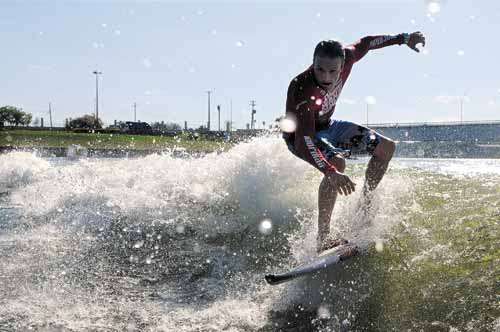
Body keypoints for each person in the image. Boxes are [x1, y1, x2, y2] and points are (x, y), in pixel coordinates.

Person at [282, 32, 426, 253]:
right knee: (338, 163)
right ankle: (323, 237)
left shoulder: (348, 57)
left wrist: (403, 39)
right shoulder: (302, 88)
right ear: (313, 63)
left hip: (330, 126)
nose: (326, 77)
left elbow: (367, 43)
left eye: (332, 71)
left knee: (386, 147)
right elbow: (305, 142)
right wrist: (330, 172)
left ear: (342, 65)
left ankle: (364, 208)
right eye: (320, 69)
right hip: (301, 135)